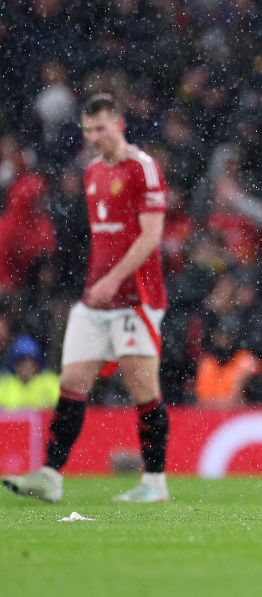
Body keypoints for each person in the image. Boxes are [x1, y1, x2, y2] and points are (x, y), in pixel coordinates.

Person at [3, 94, 171, 504]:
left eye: (101, 128)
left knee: (142, 387)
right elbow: (104, 239)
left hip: (137, 297)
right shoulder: (92, 173)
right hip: (96, 300)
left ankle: (154, 482)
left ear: (120, 124)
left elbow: (150, 236)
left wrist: (114, 279)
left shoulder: (143, 169)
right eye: (88, 130)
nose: (95, 137)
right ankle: (50, 476)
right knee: (72, 382)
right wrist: (95, 282)